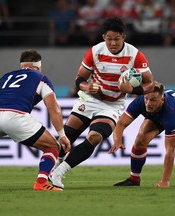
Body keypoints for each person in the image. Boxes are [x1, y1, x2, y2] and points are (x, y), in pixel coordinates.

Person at [49, 16, 154, 189]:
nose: (113, 43)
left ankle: (59, 173)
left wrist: (133, 90)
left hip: (112, 105)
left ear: (124, 37)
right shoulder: (95, 51)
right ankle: (50, 169)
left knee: (95, 137)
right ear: (104, 37)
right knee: (66, 138)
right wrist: (86, 86)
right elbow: (79, 78)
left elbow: (150, 83)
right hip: (90, 99)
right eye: (109, 39)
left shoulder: (134, 55)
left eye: (117, 39)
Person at [0, 49, 71, 191]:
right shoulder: (40, 78)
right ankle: (41, 183)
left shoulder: (6, 77)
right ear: (39, 67)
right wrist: (62, 134)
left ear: (22, 66)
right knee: (53, 146)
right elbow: (54, 108)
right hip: (15, 116)